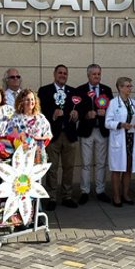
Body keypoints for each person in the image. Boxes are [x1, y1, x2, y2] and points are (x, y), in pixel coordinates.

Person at [38, 64, 80, 209]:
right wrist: (52, 115)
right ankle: (51, 197)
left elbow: (78, 110)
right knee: (52, 168)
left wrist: (76, 115)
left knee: (69, 167)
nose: (63, 75)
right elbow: (40, 111)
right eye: (60, 73)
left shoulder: (73, 92)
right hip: (52, 135)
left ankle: (67, 196)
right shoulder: (44, 91)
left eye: (65, 73)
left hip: (70, 135)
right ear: (54, 74)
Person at [75, 64, 114, 204]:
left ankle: (100, 190)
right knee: (86, 163)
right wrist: (86, 114)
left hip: (101, 131)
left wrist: (106, 112)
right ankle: (84, 191)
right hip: (86, 131)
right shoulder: (80, 90)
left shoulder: (106, 90)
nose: (97, 76)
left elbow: (113, 110)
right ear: (88, 75)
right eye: (94, 74)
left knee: (101, 163)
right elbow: (76, 111)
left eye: (98, 74)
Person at [105, 77, 135, 206]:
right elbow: (107, 122)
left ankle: (125, 194)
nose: (129, 88)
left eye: (130, 86)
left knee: (128, 168)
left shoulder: (133, 102)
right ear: (120, 87)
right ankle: (116, 196)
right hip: (119, 140)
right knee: (116, 169)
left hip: (131, 139)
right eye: (127, 86)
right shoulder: (113, 103)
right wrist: (120, 124)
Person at [8, 88, 53, 163]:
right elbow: (10, 133)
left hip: (38, 154)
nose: (30, 102)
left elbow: (49, 135)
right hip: (21, 154)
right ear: (21, 102)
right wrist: (21, 138)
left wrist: (40, 138)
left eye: (32, 99)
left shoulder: (40, 118)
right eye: (27, 100)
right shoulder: (15, 118)